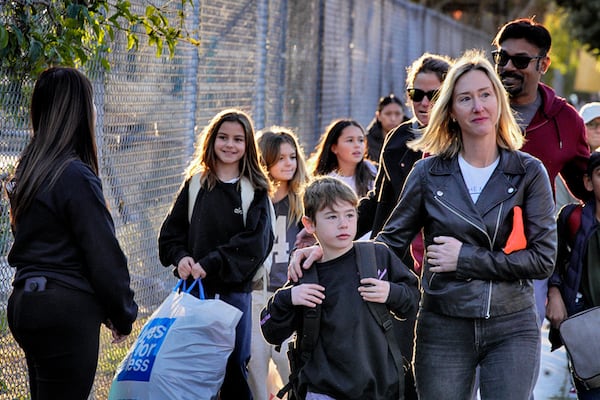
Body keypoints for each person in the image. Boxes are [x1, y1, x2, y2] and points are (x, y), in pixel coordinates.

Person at [290, 50, 557, 399]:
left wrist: (465, 258)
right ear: (450, 111)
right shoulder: (428, 173)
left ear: (499, 103)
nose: (478, 106)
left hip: (511, 322)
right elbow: (389, 242)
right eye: (465, 98)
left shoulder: (527, 171)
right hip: (443, 322)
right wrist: (325, 253)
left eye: (485, 94)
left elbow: (542, 259)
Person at [6, 67, 138, 400]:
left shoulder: (30, 171)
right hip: (64, 311)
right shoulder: (74, 175)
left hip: (26, 303)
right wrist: (122, 313)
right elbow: (103, 254)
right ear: (79, 112)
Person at [261, 176, 419, 399]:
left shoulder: (377, 256)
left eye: (350, 215)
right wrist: (288, 298)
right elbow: (271, 331)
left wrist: (391, 292)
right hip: (322, 392)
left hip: (379, 389)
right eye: (332, 216)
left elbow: (412, 301)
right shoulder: (305, 272)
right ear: (309, 224)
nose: (343, 223)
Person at [158, 109, 274, 400]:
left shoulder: (255, 191)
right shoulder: (196, 183)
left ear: (248, 146)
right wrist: (181, 257)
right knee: (193, 367)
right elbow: (171, 233)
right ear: (211, 140)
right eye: (223, 137)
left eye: (238, 139)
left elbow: (254, 245)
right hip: (194, 294)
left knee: (233, 365)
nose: (229, 145)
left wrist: (210, 263)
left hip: (234, 296)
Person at [248, 126, 310, 399]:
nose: (289, 163)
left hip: (289, 294)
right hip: (255, 295)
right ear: (264, 161)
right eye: (280, 158)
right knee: (255, 364)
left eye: (292, 157)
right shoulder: (252, 201)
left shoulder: (302, 201)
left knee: (288, 360)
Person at [547, 151, 600, 399]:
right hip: (585, 326)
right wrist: (555, 293)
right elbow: (552, 263)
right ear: (588, 182)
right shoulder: (572, 218)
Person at [309, 118, 377, 198]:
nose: (357, 145)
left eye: (361, 140)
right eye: (350, 140)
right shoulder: (323, 182)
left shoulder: (373, 171)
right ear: (334, 148)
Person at [555, 102, 600, 209]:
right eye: (592, 124)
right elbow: (559, 211)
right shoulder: (567, 165)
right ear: (580, 127)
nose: (598, 130)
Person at [365, 94, 407, 163]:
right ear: (378, 116)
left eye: (397, 114)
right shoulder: (367, 142)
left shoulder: (412, 139)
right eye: (388, 114)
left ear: (403, 116)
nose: (393, 119)